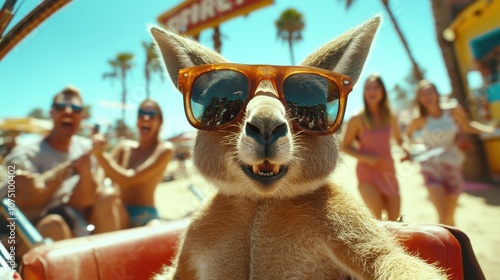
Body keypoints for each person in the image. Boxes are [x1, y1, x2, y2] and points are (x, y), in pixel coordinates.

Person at [1, 86, 114, 252]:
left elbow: (86, 200)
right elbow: (34, 195)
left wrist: (87, 159)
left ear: (82, 116)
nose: (68, 111)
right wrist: (77, 162)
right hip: (27, 234)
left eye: (76, 108)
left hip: (71, 223)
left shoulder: (84, 146)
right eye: (61, 107)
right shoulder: (25, 152)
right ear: (51, 113)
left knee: (109, 197)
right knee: (54, 226)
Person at [406, 79, 494, 226]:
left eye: (430, 92)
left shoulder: (452, 110)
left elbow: (467, 126)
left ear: (437, 94)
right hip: (430, 167)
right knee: (443, 214)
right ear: (419, 98)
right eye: (423, 93)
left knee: (450, 216)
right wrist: (412, 146)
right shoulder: (419, 119)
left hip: (453, 165)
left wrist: (491, 131)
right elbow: (407, 135)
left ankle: (454, 245)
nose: (427, 96)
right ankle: (445, 247)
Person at [92, 99, 174, 228]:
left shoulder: (164, 149)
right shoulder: (124, 147)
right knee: (106, 197)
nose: (145, 118)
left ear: (160, 122)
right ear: (137, 120)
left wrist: (100, 155)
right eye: (141, 113)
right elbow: (100, 171)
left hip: (145, 216)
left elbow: (129, 179)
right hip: (117, 210)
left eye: (152, 114)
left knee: (155, 229)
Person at [341, 74, 408, 221]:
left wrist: (407, 150)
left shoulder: (391, 116)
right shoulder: (356, 119)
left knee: (394, 221)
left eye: (375, 88)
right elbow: (344, 146)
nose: (372, 91)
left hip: (389, 173)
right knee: (377, 220)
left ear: (382, 91)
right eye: (368, 88)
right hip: (367, 174)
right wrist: (367, 158)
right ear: (364, 93)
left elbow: (399, 140)